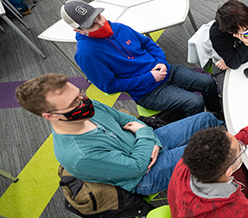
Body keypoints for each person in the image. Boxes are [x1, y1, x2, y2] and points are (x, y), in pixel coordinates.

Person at [15, 73, 224, 196]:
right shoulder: (78, 154)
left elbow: (125, 119)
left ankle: (238, 145)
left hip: (147, 143)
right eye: (75, 103)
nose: (84, 101)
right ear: (49, 116)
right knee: (215, 148)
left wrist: (147, 137)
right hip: (144, 176)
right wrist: (144, 134)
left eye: (80, 93)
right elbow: (137, 167)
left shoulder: (85, 106)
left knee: (205, 120)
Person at [61, 0, 221, 118]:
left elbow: (149, 44)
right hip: (147, 91)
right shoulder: (86, 54)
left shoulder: (118, 27)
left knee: (208, 82)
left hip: (165, 71)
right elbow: (109, 86)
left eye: (99, 17)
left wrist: (161, 62)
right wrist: (149, 77)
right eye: (93, 25)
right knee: (195, 103)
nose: (102, 24)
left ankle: (216, 114)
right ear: (79, 31)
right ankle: (202, 128)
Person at [210, 0, 248, 71]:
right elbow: (234, 64)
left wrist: (234, 60)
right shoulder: (217, 35)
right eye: (246, 28)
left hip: (236, 52)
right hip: (222, 50)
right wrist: (246, 45)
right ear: (231, 31)